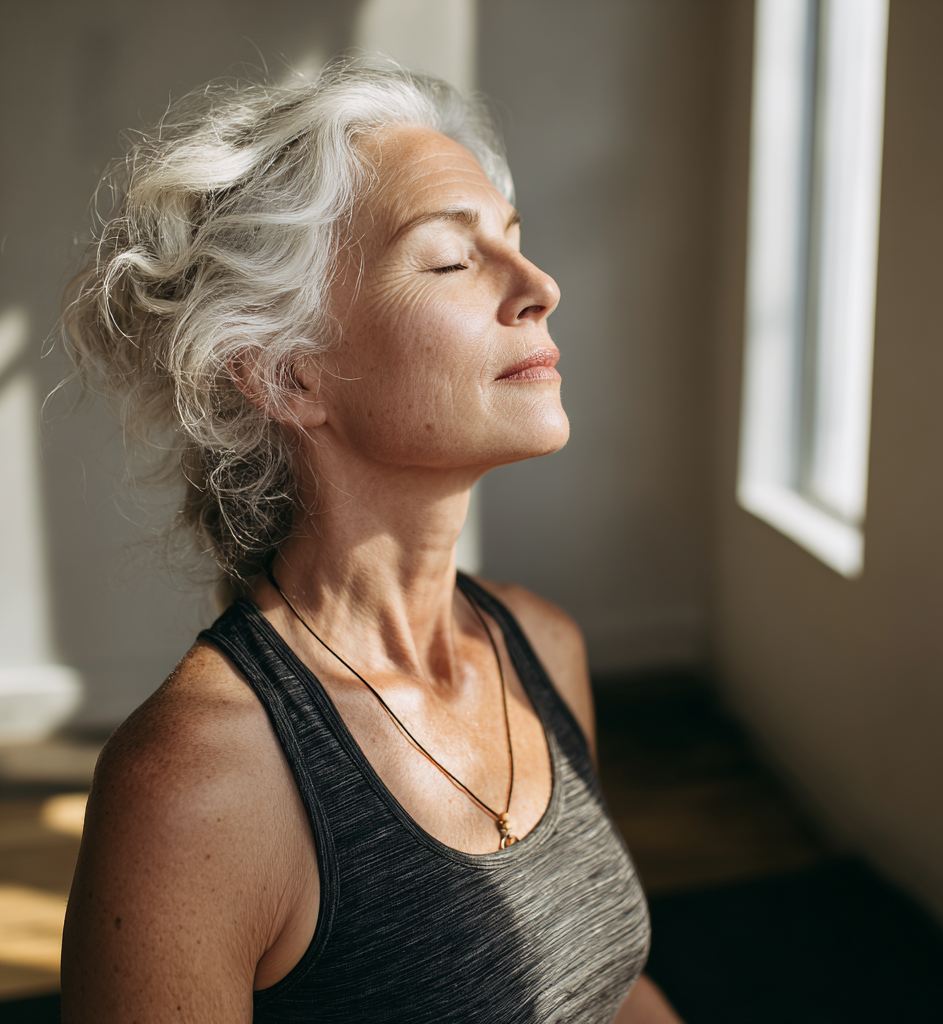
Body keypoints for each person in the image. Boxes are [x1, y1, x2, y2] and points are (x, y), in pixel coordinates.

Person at [59, 60, 682, 1023]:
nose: (540, 287)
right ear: (288, 376)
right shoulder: (195, 786)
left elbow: (606, 987)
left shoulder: (542, 647)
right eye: (450, 260)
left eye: (516, 244)